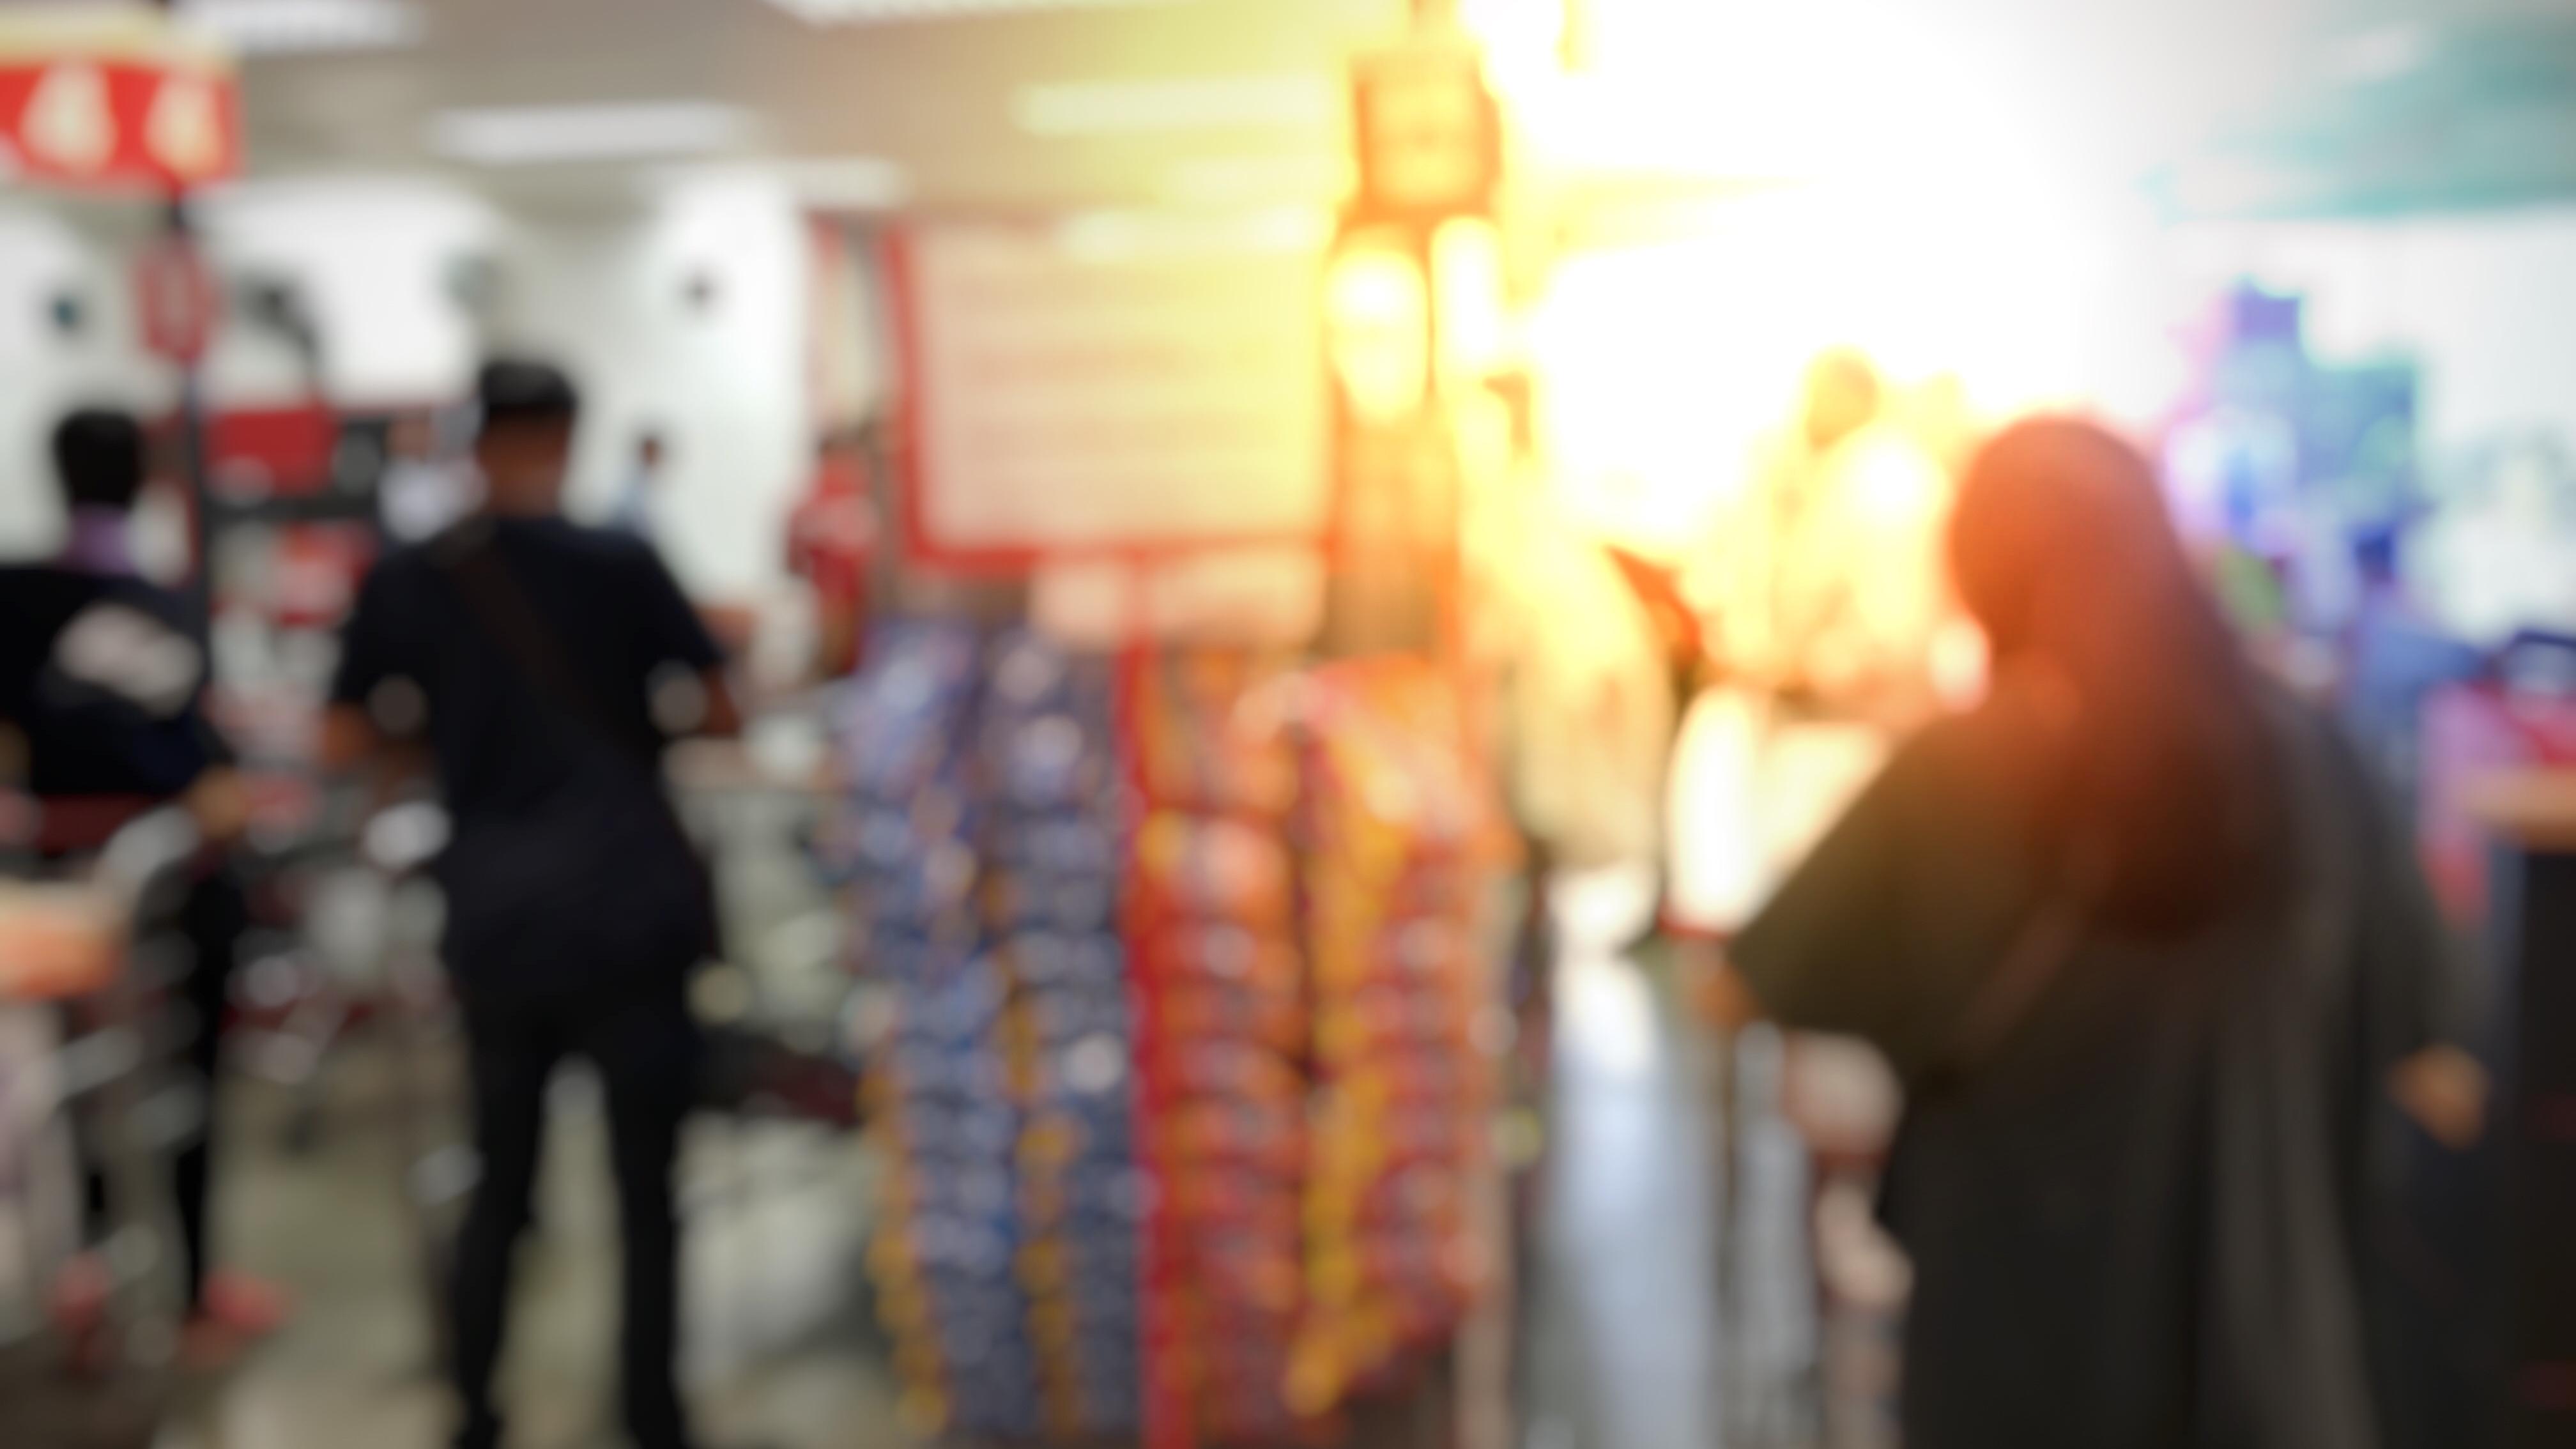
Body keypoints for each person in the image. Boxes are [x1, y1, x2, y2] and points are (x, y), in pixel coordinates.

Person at [1708, 418, 2484, 1448]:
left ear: (1981, 571)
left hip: (2013, 1363)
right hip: (2272, 1369)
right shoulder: (2312, 757)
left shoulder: (1955, 775)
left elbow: (1740, 985)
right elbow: (2441, 1074)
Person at [324, 362, 738, 1449]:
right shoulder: (621, 560)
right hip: (627, 905)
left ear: (473, 438)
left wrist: (443, 743)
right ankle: (654, 1414)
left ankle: (476, 1410)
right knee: (647, 1186)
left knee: (499, 1176)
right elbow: (720, 703)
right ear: (566, 432)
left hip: (500, 914)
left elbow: (344, 732)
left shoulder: (412, 575)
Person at [0, 408, 287, 1363]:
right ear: (149, 476)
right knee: (179, 1082)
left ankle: (86, 1268)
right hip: (165, 891)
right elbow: (214, 780)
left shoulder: (15, 596)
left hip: (62, 890)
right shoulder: (170, 599)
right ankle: (186, 1282)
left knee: (79, 1085)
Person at [611, 427, 668, 543]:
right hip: (626, 539)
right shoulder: (631, 480)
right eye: (653, 452)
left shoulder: (649, 482)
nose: (656, 458)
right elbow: (631, 515)